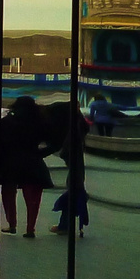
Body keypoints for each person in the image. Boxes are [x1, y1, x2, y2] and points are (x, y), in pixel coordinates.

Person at [0, 96, 55, 237]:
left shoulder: (7, 122)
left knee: (8, 194)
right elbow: (53, 143)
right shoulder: (40, 122)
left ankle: (12, 224)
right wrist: (40, 153)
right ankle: (30, 228)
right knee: (33, 198)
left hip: (10, 162)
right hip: (33, 162)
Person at [50, 101, 91, 237]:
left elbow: (66, 150)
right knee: (74, 192)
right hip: (77, 165)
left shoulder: (73, 128)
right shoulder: (79, 124)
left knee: (72, 193)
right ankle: (65, 224)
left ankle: (65, 225)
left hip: (75, 166)